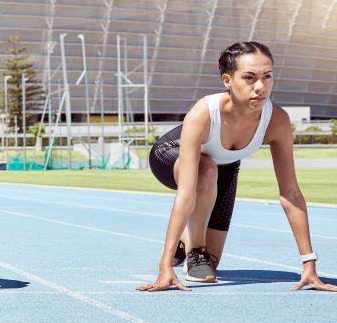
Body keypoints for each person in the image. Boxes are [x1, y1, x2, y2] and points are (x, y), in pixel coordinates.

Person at [137, 41, 336, 292]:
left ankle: (186, 242)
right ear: (227, 80)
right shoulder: (204, 113)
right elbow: (186, 195)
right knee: (206, 169)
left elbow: (291, 193)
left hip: (225, 166)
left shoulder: (277, 120)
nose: (260, 87)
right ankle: (194, 248)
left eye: (267, 77)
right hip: (170, 156)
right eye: (250, 78)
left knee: (212, 264)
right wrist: (164, 267)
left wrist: (309, 264)